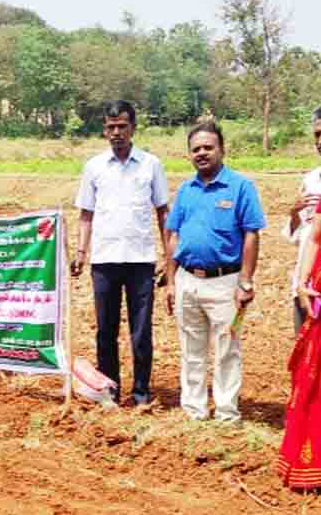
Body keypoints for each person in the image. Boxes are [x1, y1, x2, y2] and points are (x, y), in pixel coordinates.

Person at [165, 121, 266, 422]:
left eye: (208, 147)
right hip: (187, 281)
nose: (202, 153)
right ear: (189, 155)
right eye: (196, 149)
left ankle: (225, 414)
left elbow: (251, 235)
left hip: (225, 283)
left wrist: (245, 282)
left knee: (226, 350)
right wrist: (170, 282)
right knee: (191, 350)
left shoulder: (240, 187)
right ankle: (193, 411)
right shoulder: (185, 190)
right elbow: (173, 236)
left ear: (222, 149)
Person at [71, 100, 169, 406]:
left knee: (140, 332)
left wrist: (169, 257)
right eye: (111, 127)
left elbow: (163, 212)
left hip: (140, 261)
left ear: (133, 128)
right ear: (104, 129)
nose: (116, 133)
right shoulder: (94, 167)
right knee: (106, 331)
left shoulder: (151, 165)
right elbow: (86, 214)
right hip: (104, 260)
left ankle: (141, 393)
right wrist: (80, 251)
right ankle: (109, 389)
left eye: (122, 126)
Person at [277, 112, 321, 488]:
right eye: (318, 134)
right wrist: (304, 281)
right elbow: (309, 237)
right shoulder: (310, 180)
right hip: (312, 288)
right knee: (308, 371)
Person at [283, 107, 321, 334]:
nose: (320, 141)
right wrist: (293, 213)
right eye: (317, 134)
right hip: (307, 283)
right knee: (306, 360)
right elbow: (303, 238)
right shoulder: (311, 180)